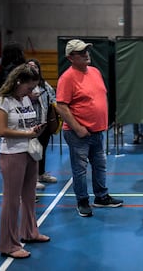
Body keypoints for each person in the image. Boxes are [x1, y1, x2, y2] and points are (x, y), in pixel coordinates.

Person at [0, 64, 51, 259]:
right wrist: (26, 133)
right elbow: (2, 131)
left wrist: (36, 129)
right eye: (29, 87)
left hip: (30, 153)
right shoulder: (2, 102)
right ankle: (8, 244)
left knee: (30, 197)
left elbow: (27, 122)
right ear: (18, 82)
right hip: (12, 155)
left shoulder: (24, 98)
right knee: (11, 201)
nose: (32, 92)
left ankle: (30, 232)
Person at [56, 39, 123, 217]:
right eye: (81, 52)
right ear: (71, 57)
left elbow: (100, 97)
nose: (86, 54)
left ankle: (101, 197)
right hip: (78, 133)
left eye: (86, 50)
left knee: (100, 166)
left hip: (97, 131)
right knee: (80, 169)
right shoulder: (67, 78)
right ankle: (82, 201)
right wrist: (78, 128)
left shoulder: (95, 72)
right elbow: (61, 106)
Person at [26, 59, 58, 189]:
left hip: (44, 123)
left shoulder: (45, 85)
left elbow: (53, 99)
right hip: (31, 124)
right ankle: (32, 179)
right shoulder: (23, 85)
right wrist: (29, 97)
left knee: (42, 149)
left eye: (35, 67)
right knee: (32, 151)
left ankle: (41, 173)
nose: (33, 69)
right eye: (30, 66)